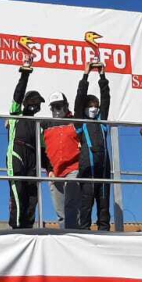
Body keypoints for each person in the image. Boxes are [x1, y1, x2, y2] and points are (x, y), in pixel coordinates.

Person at [73, 62, 111, 230]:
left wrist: (102, 76)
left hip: (103, 170)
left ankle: (105, 231)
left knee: (104, 206)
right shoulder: (80, 122)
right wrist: (86, 75)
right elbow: (79, 99)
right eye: (90, 106)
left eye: (96, 106)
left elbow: (106, 98)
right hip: (87, 168)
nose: (94, 109)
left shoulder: (102, 121)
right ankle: (84, 232)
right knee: (86, 205)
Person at [6, 68, 45, 229]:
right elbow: (18, 94)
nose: (35, 106)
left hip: (32, 158)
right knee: (18, 191)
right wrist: (25, 74)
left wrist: (50, 169)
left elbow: (43, 150)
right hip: (17, 152)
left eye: (38, 104)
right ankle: (16, 227)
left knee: (32, 195)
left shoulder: (38, 125)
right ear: (26, 103)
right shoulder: (15, 115)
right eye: (33, 102)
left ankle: (28, 227)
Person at [42, 91, 85, 229]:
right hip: (54, 172)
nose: (56, 110)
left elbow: (84, 142)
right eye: (53, 107)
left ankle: (71, 235)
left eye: (59, 106)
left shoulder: (75, 122)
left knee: (71, 205)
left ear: (66, 106)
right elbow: (43, 150)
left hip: (73, 168)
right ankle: (64, 234)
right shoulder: (46, 125)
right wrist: (49, 169)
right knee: (60, 211)